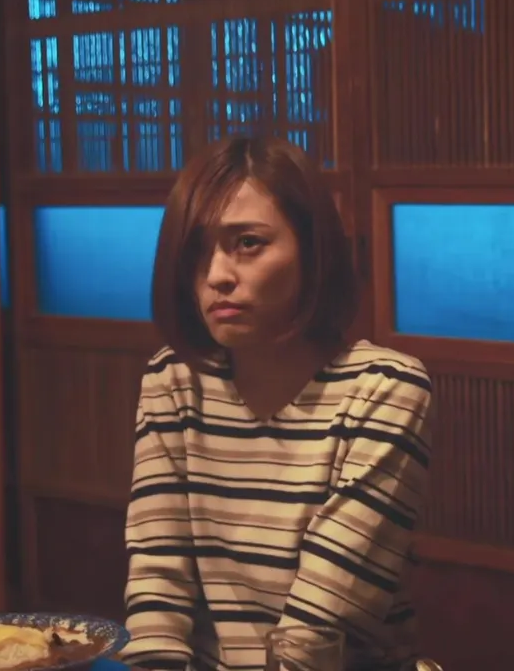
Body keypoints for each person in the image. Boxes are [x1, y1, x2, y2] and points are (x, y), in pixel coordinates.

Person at [120, 137, 433, 671]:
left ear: (313, 252)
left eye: (248, 242)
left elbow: (317, 630)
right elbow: (157, 587)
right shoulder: (174, 379)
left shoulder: (384, 387)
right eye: (197, 251)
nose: (217, 274)